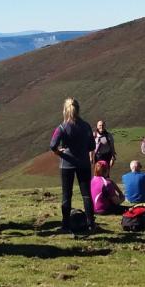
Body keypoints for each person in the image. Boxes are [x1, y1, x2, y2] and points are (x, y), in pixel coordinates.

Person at [50, 97, 95, 232]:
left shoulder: (62, 127)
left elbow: (53, 145)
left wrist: (60, 153)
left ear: (65, 110)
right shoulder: (86, 126)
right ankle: (91, 224)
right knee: (86, 194)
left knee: (66, 194)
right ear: (78, 109)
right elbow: (92, 145)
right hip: (84, 163)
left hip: (67, 163)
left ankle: (65, 225)